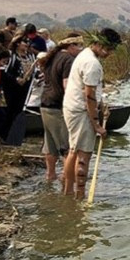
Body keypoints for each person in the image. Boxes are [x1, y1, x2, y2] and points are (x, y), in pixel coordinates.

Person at [62, 28, 122, 199]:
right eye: (109, 50)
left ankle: (69, 193)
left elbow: (91, 94)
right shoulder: (92, 64)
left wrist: (101, 107)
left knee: (74, 149)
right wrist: (97, 124)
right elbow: (88, 95)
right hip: (80, 111)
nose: (110, 54)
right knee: (82, 154)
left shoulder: (85, 55)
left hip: (73, 107)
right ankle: (78, 195)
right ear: (100, 44)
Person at [39, 34, 84, 181]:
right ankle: (67, 179)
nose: (80, 49)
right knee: (66, 146)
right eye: (79, 46)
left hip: (45, 103)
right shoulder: (68, 60)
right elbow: (67, 86)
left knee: (50, 143)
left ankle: (50, 175)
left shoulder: (53, 56)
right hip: (58, 106)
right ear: (71, 46)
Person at [0, 35, 36, 142]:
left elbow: (33, 71)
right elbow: (5, 72)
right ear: (17, 43)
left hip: (25, 87)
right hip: (12, 88)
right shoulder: (12, 56)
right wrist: (16, 79)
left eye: (28, 42)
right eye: (24, 42)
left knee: (20, 109)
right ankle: (6, 134)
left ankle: (16, 134)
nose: (26, 44)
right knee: (11, 110)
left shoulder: (31, 56)